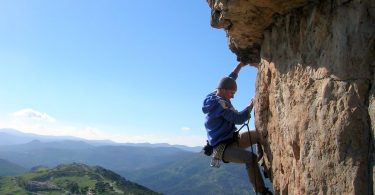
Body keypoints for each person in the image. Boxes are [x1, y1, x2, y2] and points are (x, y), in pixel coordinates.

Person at [202, 62, 272, 195]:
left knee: (258, 135)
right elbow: (239, 119)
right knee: (250, 158)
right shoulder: (219, 105)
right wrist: (251, 104)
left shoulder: (213, 95)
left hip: (231, 139)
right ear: (223, 91)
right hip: (223, 148)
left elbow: (228, 80)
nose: (233, 96)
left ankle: (264, 164)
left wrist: (239, 67)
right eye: (231, 93)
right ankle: (262, 191)